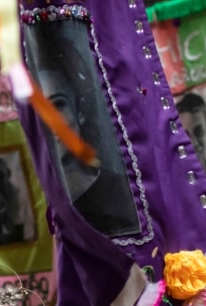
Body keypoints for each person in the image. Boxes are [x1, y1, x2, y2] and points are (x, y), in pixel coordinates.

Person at [28, 26, 140, 239]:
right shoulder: (34, 207)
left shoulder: (121, 196)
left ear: (79, 111)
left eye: (58, 105)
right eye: (38, 112)